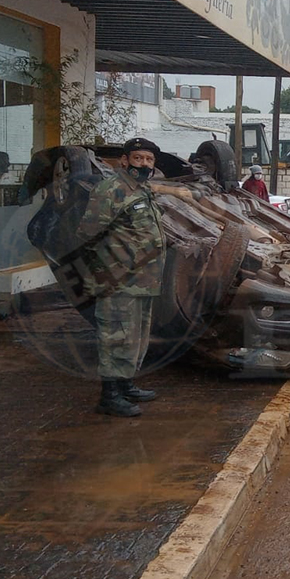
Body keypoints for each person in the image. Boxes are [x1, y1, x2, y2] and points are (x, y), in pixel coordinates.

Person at [76, 137, 166, 417]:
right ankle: (110, 396)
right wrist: (110, 267)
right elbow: (88, 234)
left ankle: (126, 384)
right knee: (115, 336)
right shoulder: (111, 189)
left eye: (149, 160)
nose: (144, 164)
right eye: (138, 158)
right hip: (118, 282)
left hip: (143, 282)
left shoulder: (142, 190)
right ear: (124, 161)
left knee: (134, 337)